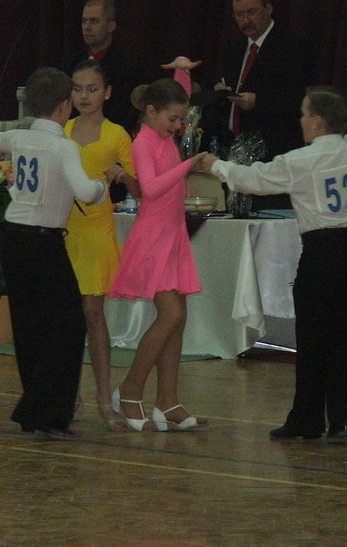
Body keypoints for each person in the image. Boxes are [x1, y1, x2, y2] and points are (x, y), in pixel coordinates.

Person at [203, 47, 347, 444]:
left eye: (303, 115)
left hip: (321, 255)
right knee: (342, 337)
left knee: (313, 338)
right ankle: (342, 420)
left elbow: (253, 179)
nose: (300, 121)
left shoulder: (300, 161)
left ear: (317, 122)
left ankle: (306, 419)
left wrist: (214, 165)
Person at [0, 68, 107, 439]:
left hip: (13, 240)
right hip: (44, 242)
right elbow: (86, 193)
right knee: (68, 325)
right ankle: (46, 412)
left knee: (30, 328)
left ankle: (38, 415)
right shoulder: (64, 147)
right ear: (65, 106)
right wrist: (102, 184)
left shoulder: (20, 137)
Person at [108, 78, 209, 432]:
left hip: (173, 235)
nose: (178, 126)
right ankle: (129, 390)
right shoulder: (143, 141)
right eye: (172, 119)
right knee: (170, 314)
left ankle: (167, 401)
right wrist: (189, 165)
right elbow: (150, 189)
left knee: (178, 318)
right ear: (150, 112)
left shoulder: (164, 138)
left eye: (181, 119)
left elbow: (177, 93)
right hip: (154, 238)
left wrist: (182, 71)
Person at [65, 59, 139, 431]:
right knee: (66, 319)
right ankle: (69, 396)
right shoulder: (61, 130)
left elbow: (141, 186)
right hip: (62, 231)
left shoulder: (117, 134)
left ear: (107, 93)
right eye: (77, 88)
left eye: (92, 89)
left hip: (95, 233)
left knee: (93, 315)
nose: (84, 96)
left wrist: (124, 176)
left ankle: (104, 400)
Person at [213, 0, 315, 209]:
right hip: (235, 155)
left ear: (268, 9)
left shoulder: (293, 48)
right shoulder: (234, 50)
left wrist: (259, 102)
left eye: (251, 12)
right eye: (239, 14)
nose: (245, 21)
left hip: (274, 156)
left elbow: (303, 101)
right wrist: (221, 94)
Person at [62, 0, 147, 134]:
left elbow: (128, 115)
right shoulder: (71, 64)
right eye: (84, 21)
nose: (87, 27)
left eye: (94, 21)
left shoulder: (128, 69)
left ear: (111, 26)